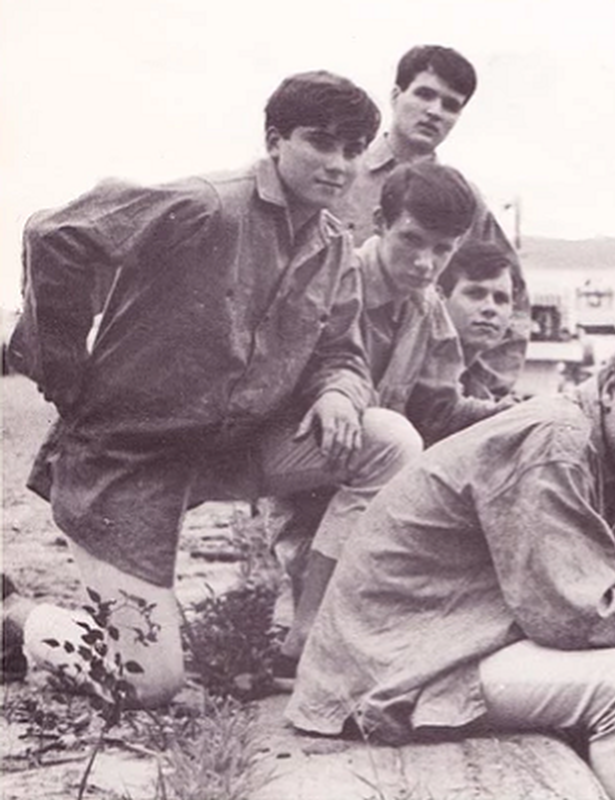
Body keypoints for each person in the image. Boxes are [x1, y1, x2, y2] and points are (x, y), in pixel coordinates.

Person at [1, 71, 423, 704]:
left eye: (354, 148)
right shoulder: (207, 204)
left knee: (388, 442)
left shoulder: (335, 246)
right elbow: (57, 234)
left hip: (229, 452)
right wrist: (62, 369)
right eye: (321, 142)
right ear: (275, 140)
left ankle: (309, 636)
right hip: (130, 464)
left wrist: (339, 391)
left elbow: (341, 351)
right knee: (145, 682)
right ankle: (15, 614)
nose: (339, 164)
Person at [286, 327, 615, 800]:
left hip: (430, 634)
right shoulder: (557, 443)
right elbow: (569, 612)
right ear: (611, 388)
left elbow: (584, 582)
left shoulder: (593, 442)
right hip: (385, 666)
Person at [276, 162, 515, 669]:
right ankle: (305, 631)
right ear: (380, 223)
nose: (426, 263)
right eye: (412, 240)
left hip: (359, 475)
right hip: (288, 452)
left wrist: (509, 416)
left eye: (443, 249)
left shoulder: (426, 311)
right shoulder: (331, 278)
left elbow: (438, 411)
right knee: (391, 439)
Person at [332, 44, 530, 399]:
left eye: (451, 105)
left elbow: (512, 292)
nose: (435, 112)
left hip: (423, 387)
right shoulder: (342, 176)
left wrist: (485, 388)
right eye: (424, 94)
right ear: (396, 96)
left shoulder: (463, 200)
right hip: (335, 375)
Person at [438, 241, 516, 400]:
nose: (490, 308)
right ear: (440, 299)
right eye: (475, 294)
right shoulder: (412, 372)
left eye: (501, 299)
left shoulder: (480, 389)